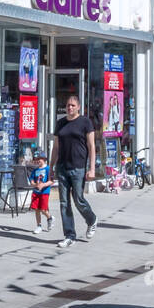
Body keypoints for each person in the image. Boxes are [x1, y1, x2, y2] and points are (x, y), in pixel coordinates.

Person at [48, 95, 98, 248]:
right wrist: (51, 167)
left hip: (78, 167)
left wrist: (92, 169)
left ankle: (92, 220)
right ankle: (69, 235)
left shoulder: (85, 122)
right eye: (67, 105)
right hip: (62, 167)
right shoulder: (61, 123)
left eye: (72, 105)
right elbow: (55, 147)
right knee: (64, 203)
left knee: (78, 199)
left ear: (78, 107)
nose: (69, 108)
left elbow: (91, 146)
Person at [28, 154, 54, 234]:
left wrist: (43, 185)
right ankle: (39, 226)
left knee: (43, 209)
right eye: (36, 159)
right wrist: (35, 184)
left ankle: (50, 218)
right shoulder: (35, 170)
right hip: (36, 192)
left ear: (44, 159)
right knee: (36, 209)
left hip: (44, 192)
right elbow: (31, 180)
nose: (37, 160)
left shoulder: (48, 169)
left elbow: (51, 181)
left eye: (39, 159)